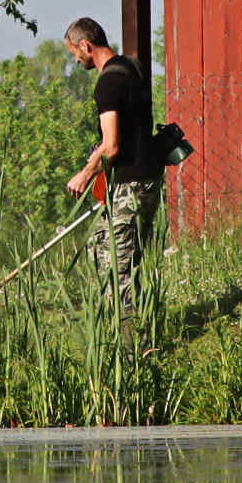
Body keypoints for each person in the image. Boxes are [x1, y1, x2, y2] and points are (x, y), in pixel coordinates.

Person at [63, 17, 158, 309]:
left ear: (85, 45)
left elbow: (112, 145)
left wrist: (84, 174)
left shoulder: (108, 83)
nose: (76, 60)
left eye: (74, 53)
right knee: (101, 249)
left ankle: (130, 344)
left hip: (129, 186)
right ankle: (133, 325)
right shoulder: (131, 68)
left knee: (119, 269)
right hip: (147, 180)